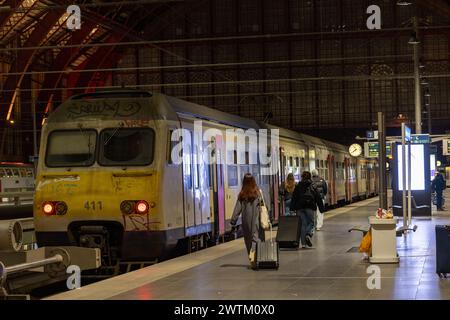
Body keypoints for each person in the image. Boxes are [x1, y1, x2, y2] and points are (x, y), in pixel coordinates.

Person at [230, 173, 266, 269]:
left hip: (245, 221)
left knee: (248, 240)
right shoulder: (258, 193)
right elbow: (264, 206)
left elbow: (237, 209)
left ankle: (252, 259)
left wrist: (233, 221)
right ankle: (254, 258)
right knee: (256, 239)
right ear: (254, 181)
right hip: (256, 220)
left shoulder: (242, 195)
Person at [291, 171, 325, 248]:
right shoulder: (313, 185)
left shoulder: (298, 185)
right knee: (311, 223)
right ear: (310, 177)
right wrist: (321, 208)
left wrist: (292, 208)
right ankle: (308, 234)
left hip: (300, 207)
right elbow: (318, 197)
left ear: (302, 177)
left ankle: (303, 244)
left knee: (303, 224)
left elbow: (294, 197)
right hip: (310, 206)